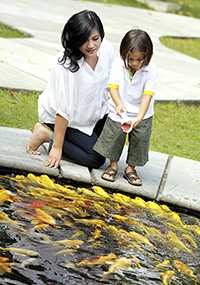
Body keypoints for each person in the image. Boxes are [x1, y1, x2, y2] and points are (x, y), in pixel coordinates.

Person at [26, 10, 114, 169]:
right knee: (96, 158)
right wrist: (57, 147)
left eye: (95, 38)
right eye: (84, 40)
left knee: (108, 148)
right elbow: (63, 109)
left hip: (93, 115)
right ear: (75, 39)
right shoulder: (65, 63)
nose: (91, 45)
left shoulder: (107, 49)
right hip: (63, 119)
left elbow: (111, 84)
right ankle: (46, 133)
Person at [93, 29, 157, 186]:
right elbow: (113, 87)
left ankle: (130, 169)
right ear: (124, 54)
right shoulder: (117, 64)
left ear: (147, 57)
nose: (135, 63)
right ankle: (113, 165)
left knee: (139, 140)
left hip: (142, 111)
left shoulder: (151, 70)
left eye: (139, 59)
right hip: (119, 107)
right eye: (131, 59)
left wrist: (139, 117)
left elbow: (147, 95)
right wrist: (119, 104)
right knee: (114, 136)